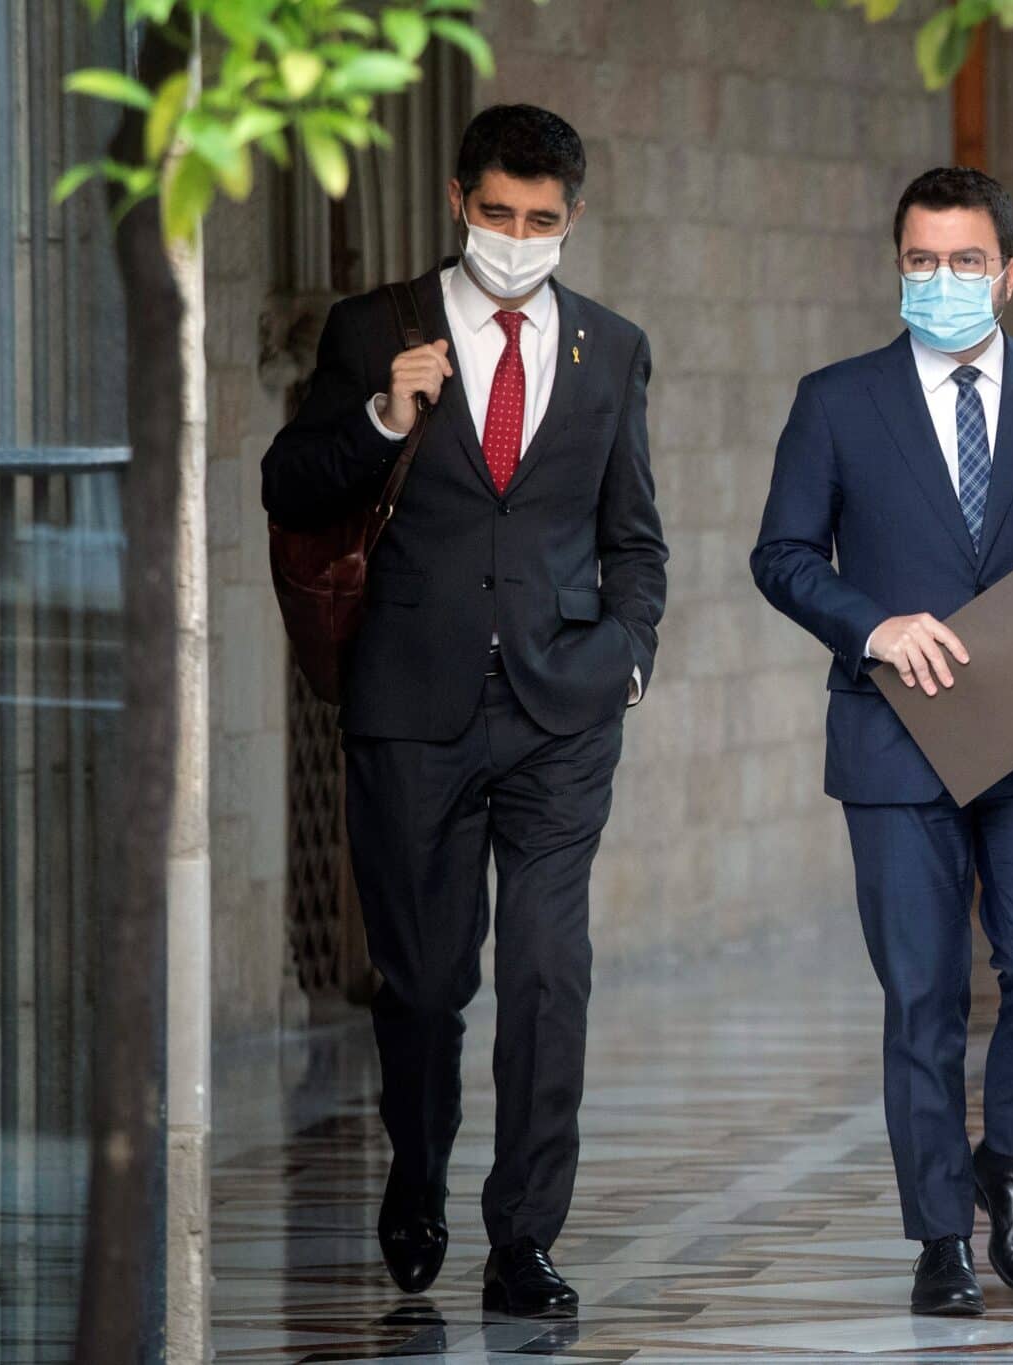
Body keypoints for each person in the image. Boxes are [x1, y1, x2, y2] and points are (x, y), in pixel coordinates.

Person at [261, 104, 667, 1318]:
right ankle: (418, 1175)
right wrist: (383, 415)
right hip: (412, 705)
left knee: (548, 972)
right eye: (497, 213)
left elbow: (632, 534)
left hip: (560, 714)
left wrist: (627, 655)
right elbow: (289, 483)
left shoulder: (610, 347)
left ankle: (524, 1237)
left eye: (541, 221)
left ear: (572, 219)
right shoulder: (374, 327)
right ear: (457, 199)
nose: (517, 237)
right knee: (428, 981)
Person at [751, 167, 1013, 1316]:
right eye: (922, 262)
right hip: (894, 734)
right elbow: (780, 556)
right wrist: (872, 624)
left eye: (965, 261)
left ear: (1007, 272)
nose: (942, 281)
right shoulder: (835, 400)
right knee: (922, 995)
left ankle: (1006, 1158)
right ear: (898, 268)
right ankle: (940, 1234)